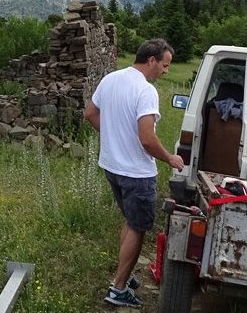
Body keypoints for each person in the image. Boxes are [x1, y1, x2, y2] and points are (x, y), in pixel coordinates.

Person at [84, 38, 185, 307]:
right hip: (137, 173)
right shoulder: (145, 90)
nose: (165, 71)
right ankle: (118, 289)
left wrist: (114, 138)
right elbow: (147, 139)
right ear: (151, 60)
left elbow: (90, 113)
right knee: (138, 228)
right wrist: (170, 159)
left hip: (112, 167)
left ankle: (124, 277)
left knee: (130, 221)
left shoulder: (111, 79)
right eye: (164, 65)